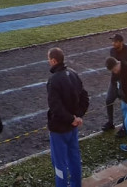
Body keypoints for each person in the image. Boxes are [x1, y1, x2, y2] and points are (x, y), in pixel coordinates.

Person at [46, 47, 89, 187]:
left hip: (59, 129)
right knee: (74, 158)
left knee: (59, 164)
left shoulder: (53, 80)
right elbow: (85, 97)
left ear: (54, 61)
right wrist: (78, 116)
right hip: (72, 127)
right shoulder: (74, 74)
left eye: (49, 59)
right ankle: (76, 184)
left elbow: (55, 107)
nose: (48, 62)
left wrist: (72, 118)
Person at [102, 34, 127, 137]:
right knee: (108, 100)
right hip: (114, 82)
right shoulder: (112, 51)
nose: (113, 43)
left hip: (124, 83)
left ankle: (125, 128)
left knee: (125, 107)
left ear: (121, 42)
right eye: (112, 41)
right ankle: (110, 122)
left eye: (115, 41)